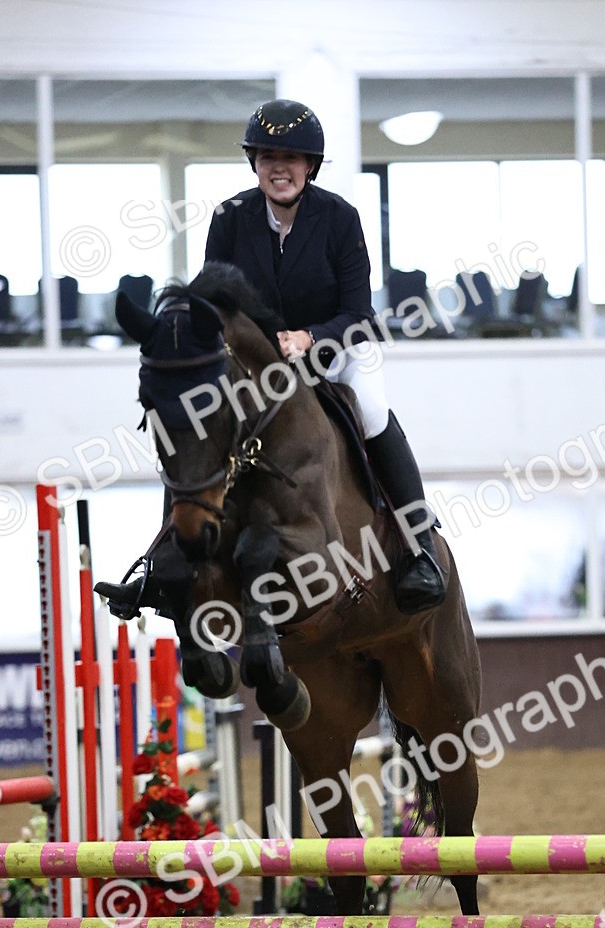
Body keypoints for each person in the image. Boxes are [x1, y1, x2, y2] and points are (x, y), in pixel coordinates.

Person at [99, 98, 445, 618]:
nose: (278, 167)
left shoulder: (339, 218)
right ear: (255, 163)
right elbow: (211, 295)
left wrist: (309, 337)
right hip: (261, 361)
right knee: (199, 424)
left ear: (310, 166)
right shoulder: (230, 217)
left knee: (371, 409)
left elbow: (359, 312)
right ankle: (160, 561)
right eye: (267, 157)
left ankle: (419, 548)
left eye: (291, 157)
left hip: (335, 348)